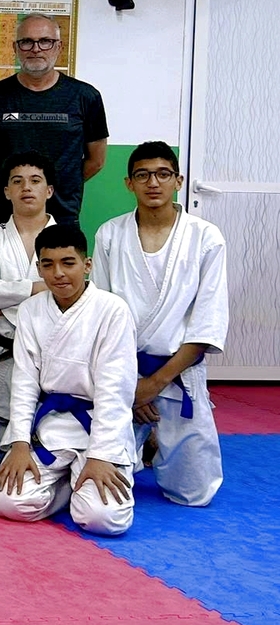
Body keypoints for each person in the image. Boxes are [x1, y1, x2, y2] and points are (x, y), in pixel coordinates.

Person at [93, 142, 227, 507]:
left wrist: (151, 385)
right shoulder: (110, 234)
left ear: (178, 181)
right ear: (129, 183)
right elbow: (101, 315)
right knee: (100, 494)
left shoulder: (206, 237)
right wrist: (130, 386)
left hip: (178, 373)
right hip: (124, 371)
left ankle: (154, 442)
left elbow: (207, 324)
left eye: (163, 174)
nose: (153, 183)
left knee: (194, 492)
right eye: (143, 175)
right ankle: (142, 444)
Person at [0, 224, 137, 537]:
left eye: (68, 263)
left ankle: (83, 481)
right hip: (51, 426)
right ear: (38, 268)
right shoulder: (31, 310)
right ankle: (68, 488)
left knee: (104, 519)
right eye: (48, 265)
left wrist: (100, 456)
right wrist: (19, 443)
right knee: (9, 502)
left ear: (87, 265)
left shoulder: (113, 310)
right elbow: (24, 381)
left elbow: (115, 391)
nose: (58, 273)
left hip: (97, 426)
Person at [0, 152, 57, 468]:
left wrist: (2, 299)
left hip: (47, 357)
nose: (26, 188)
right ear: (6, 191)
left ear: (49, 190)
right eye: (17, 181)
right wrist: (36, 288)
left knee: (45, 452)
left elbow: (70, 298)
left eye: (35, 181)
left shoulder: (66, 242)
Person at [0, 13, 108, 226]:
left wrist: (58, 184)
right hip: (1, 217)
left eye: (45, 41)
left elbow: (97, 160)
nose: (36, 49)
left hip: (61, 217)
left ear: (59, 47)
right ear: (15, 48)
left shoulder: (85, 97)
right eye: (27, 42)